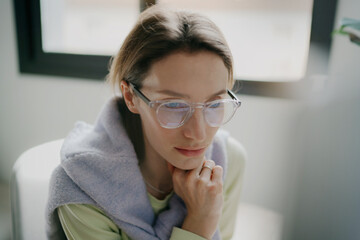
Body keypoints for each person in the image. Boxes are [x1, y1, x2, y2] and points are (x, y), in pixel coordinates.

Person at [46, 4, 246, 240]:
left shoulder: (229, 160)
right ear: (131, 97)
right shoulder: (82, 187)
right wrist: (199, 224)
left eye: (214, 104)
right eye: (173, 105)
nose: (199, 133)